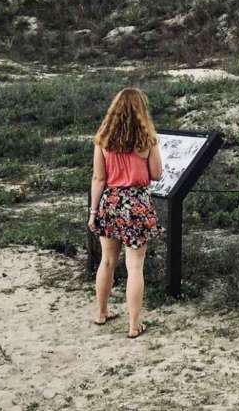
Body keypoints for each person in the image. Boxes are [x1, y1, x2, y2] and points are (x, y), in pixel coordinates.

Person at [87, 88, 163, 339]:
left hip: (110, 201)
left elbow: (99, 178)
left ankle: (101, 312)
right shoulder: (147, 140)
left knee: (107, 261)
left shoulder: (103, 139)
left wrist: (93, 211)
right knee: (135, 267)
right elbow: (156, 174)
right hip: (137, 203)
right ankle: (133, 325)